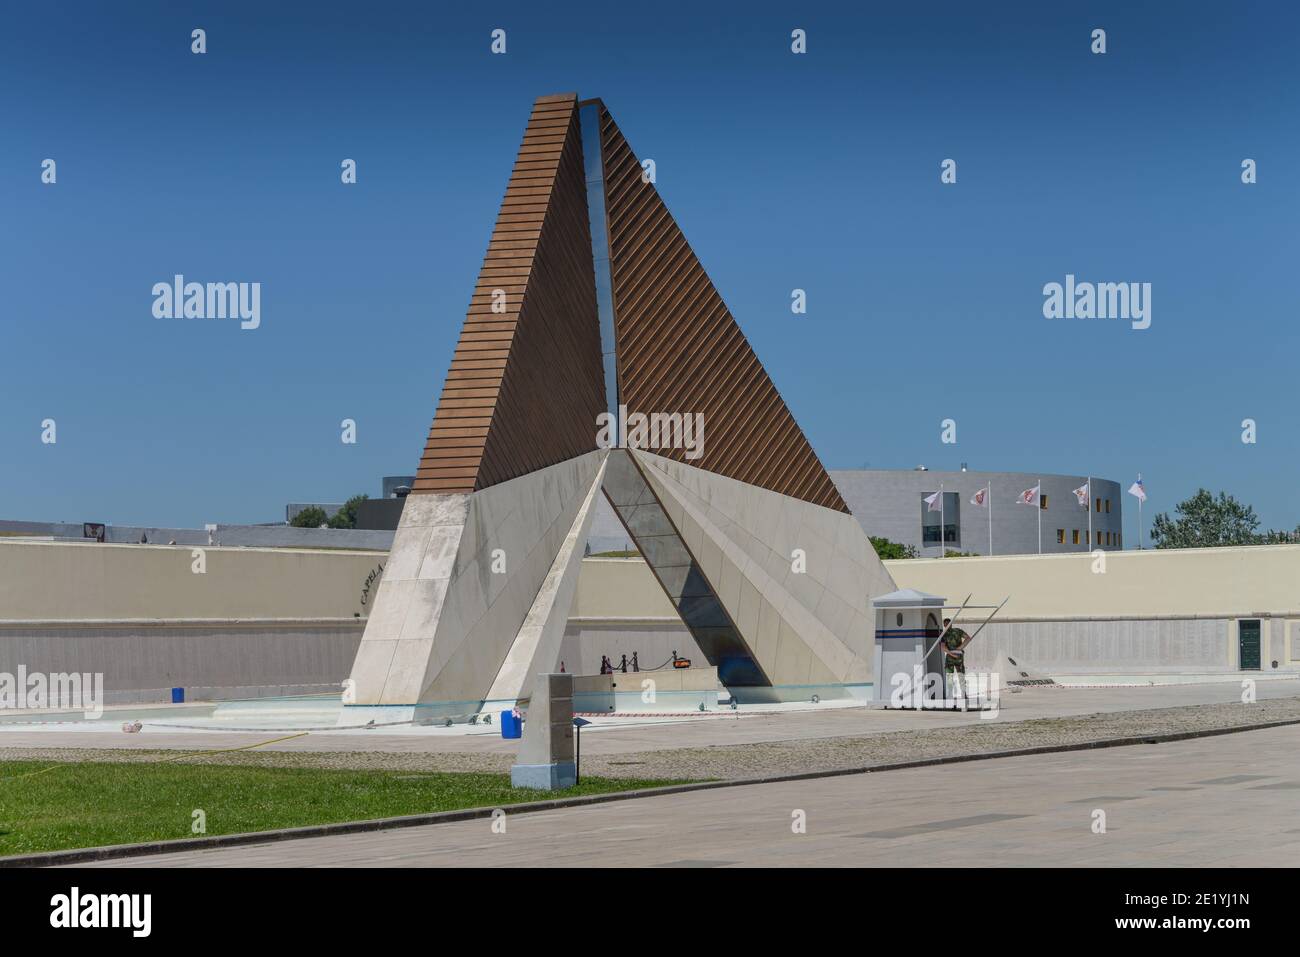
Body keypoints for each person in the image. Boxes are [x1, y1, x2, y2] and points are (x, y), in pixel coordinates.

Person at [941, 617, 972, 710]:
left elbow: (943, 647)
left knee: (954, 676)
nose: (947, 626)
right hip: (956, 656)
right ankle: (959, 695)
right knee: (957, 676)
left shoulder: (945, 634)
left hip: (952, 656)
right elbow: (968, 638)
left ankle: (956, 695)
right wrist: (959, 648)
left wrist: (953, 652)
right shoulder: (953, 632)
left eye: (946, 624)